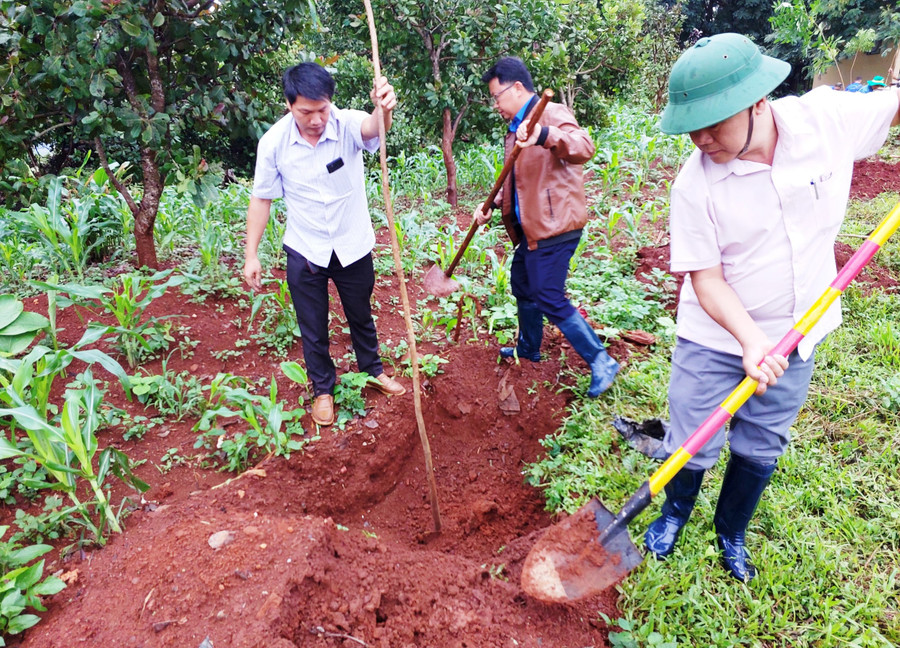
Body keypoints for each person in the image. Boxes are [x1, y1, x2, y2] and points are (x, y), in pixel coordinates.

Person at [645, 33, 900, 582]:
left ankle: (730, 531)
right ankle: (672, 514)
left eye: (714, 122)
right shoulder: (694, 183)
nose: (701, 138)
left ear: (759, 101)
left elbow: (894, 104)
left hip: (798, 329)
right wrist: (748, 341)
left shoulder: (826, 120)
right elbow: (706, 280)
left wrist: (771, 344)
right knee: (692, 439)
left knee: (763, 441)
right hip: (715, 333)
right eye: (692, 126)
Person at [244, 62, 406, 428]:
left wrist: (384, 109)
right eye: (306, 111)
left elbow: (373, 128)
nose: (317, 119)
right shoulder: (273, 143)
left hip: (352, 242)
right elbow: (262, 199)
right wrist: (250, 254)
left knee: (360, 314)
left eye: (322, 109)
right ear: (289, 105)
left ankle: (373, 371)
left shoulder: (346, 123)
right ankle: (322, 390)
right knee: (312, 325)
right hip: (306, 249)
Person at [472, 57, 619, 398]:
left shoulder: (549, 115)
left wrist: (544, 134)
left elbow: (584, 147)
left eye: (497, 97)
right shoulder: (515, 130)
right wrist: (491, 205)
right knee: (522, 284)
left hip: (555, 225)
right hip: (531, 229)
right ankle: (528, 349)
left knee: (548, 295)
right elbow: (515, 178)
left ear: (518, 88)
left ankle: (601, 360)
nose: (496, 105)